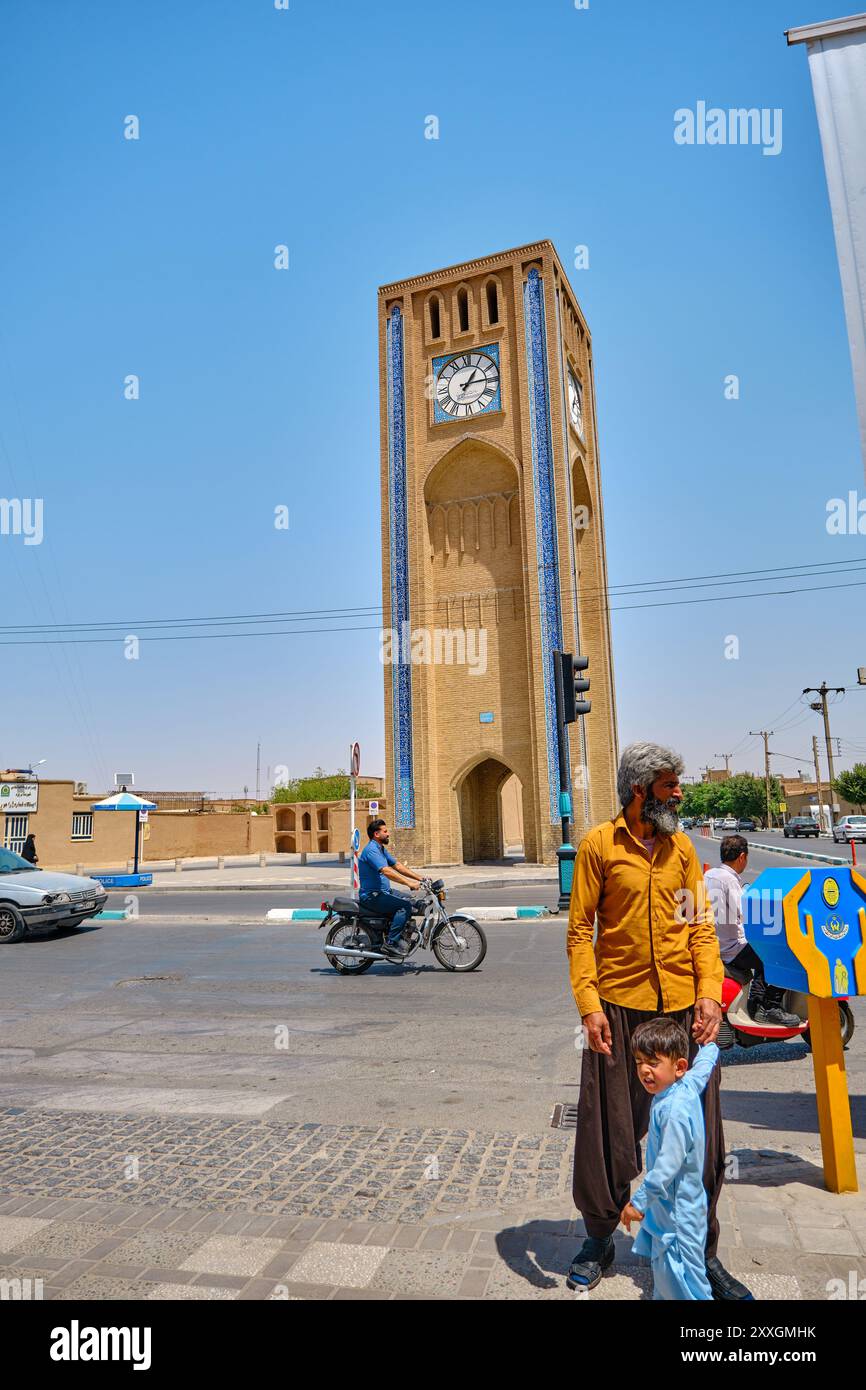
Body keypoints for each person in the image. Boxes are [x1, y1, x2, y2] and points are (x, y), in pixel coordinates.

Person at [566, 741, 752, 1301]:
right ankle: (599, 1237)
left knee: (700, 1132)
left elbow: (700, 929)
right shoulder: (599, 846)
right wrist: (589, 1006)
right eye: (671, 784)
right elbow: (580, 932)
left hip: (681, 1011)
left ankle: (701, 1252)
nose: (679, 793)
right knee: (606, 1129)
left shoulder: (683, 852)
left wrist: (709, 995)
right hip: (618, 1009)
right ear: (640, 790)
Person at [620, 1019, 719, 1300]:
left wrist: (637, 1204)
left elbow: (666, 1168)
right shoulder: (684, 1086)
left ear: (679, 1067)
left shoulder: (675, 1110)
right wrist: (708, 1045)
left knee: (685, 1277)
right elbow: (703, 1068)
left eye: (652, 1062)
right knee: (669, 1273)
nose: (643, 1070)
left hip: (678, 1214)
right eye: (639, 1061)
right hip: (675, 1206)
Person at [704, 836, 799, 1027]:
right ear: (742, 857)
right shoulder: (729, 880)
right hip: (732, 949)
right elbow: (748, 914)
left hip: (713, 944)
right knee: (782, 957)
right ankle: (766, 1007)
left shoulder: (710, 875)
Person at [357, 819, 424, 963]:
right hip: (372, 896)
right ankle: (391, 943)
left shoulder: (380, 849)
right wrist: (409, 883)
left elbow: (397, 866)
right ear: (376, 834)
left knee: (412, 902)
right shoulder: (371, 850)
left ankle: (400, 935)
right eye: (385, 831)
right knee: (403, 906)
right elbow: (387, 871)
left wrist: (420, 878)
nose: (388, 834)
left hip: (384, 892)